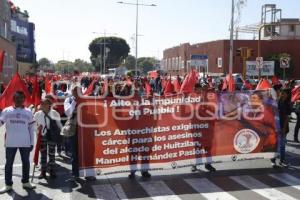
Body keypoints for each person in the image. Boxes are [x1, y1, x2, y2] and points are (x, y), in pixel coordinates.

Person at [0, 91, 36, 194]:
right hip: (10, 142)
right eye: (17, 98)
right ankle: (8, 184)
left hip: (25, 142)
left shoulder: (28, 111)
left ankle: (25, 182)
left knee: (26, 163)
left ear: (24, 99)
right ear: (13, 99)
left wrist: (31, 142)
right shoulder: (7, 111)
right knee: (9, 164)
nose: (19, 99)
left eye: (21, 98)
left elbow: (31, 129)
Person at [34, 98, 63, 179]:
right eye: (42, 103)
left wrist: (63, 132)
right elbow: (32, 124)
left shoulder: (54, 113)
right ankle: (43, 171)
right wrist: (37, 128)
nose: (43, 105)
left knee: (52, 154)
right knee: (43, 154)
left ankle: (52, 170)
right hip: (42, 136)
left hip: (52, 136)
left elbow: (59, 124)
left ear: (49, 105)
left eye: (45, 103)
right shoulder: (37, 114)